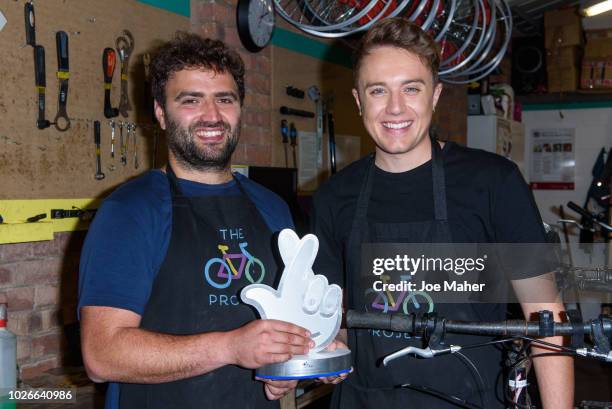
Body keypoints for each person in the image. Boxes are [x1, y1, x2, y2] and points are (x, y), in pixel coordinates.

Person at [311, 18, 574, 408]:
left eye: (411, 89)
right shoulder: (334, 197)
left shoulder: (493, 183)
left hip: (471, 398)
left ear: (434, 95)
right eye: (378, 90)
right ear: (358, 100)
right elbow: (337, 318)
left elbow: (546, 315)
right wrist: (330, 347)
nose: (395, 108)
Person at [78, 32, 314, 409]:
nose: (212, 116)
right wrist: (231, 347)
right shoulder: (130, 211)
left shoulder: (273, 208)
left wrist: (286, 364)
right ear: (160, 112)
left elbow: (282, 324)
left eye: (225, 99)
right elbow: (101, 355)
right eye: (191, 100)